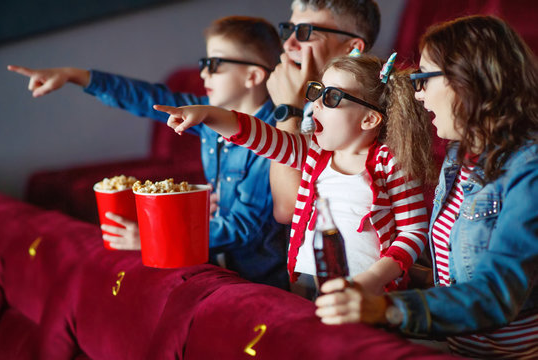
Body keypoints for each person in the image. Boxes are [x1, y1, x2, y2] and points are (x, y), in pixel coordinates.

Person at [8, 16, 290, 289]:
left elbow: (245, 227)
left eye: (215, 64)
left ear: (252, 75)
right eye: (204, 62)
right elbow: (149, 98)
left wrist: (154, 238)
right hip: (222, 263)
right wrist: (77, 76)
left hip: (265, 279)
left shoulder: (272, 137)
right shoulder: (207, 120)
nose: (203, 72)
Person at [315, 15, 538, 359]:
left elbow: (495, 293)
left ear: (467, 81)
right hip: (458, 345)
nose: (418, 96)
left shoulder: (529, 168)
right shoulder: (460, 155)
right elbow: (455, 273)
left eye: (423, 80)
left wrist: (383, 307)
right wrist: (374, 276)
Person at [156, 53, 437, 300]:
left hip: (372, 291)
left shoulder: (391, 162)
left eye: (332, 97)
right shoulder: (312, 151)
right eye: (317, 92)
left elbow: (412, 232)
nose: (316, 104)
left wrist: (375, 278)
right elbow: (257, 135)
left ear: (369, 119)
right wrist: (207, 114)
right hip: (306, 281)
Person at [267, 0, 381, 225]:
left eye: (305, 32)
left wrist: (289, 109)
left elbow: (289, 209)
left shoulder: (361, 109)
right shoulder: (309, 100)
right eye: (289, 30)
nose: (289, 44)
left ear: (353, 48)